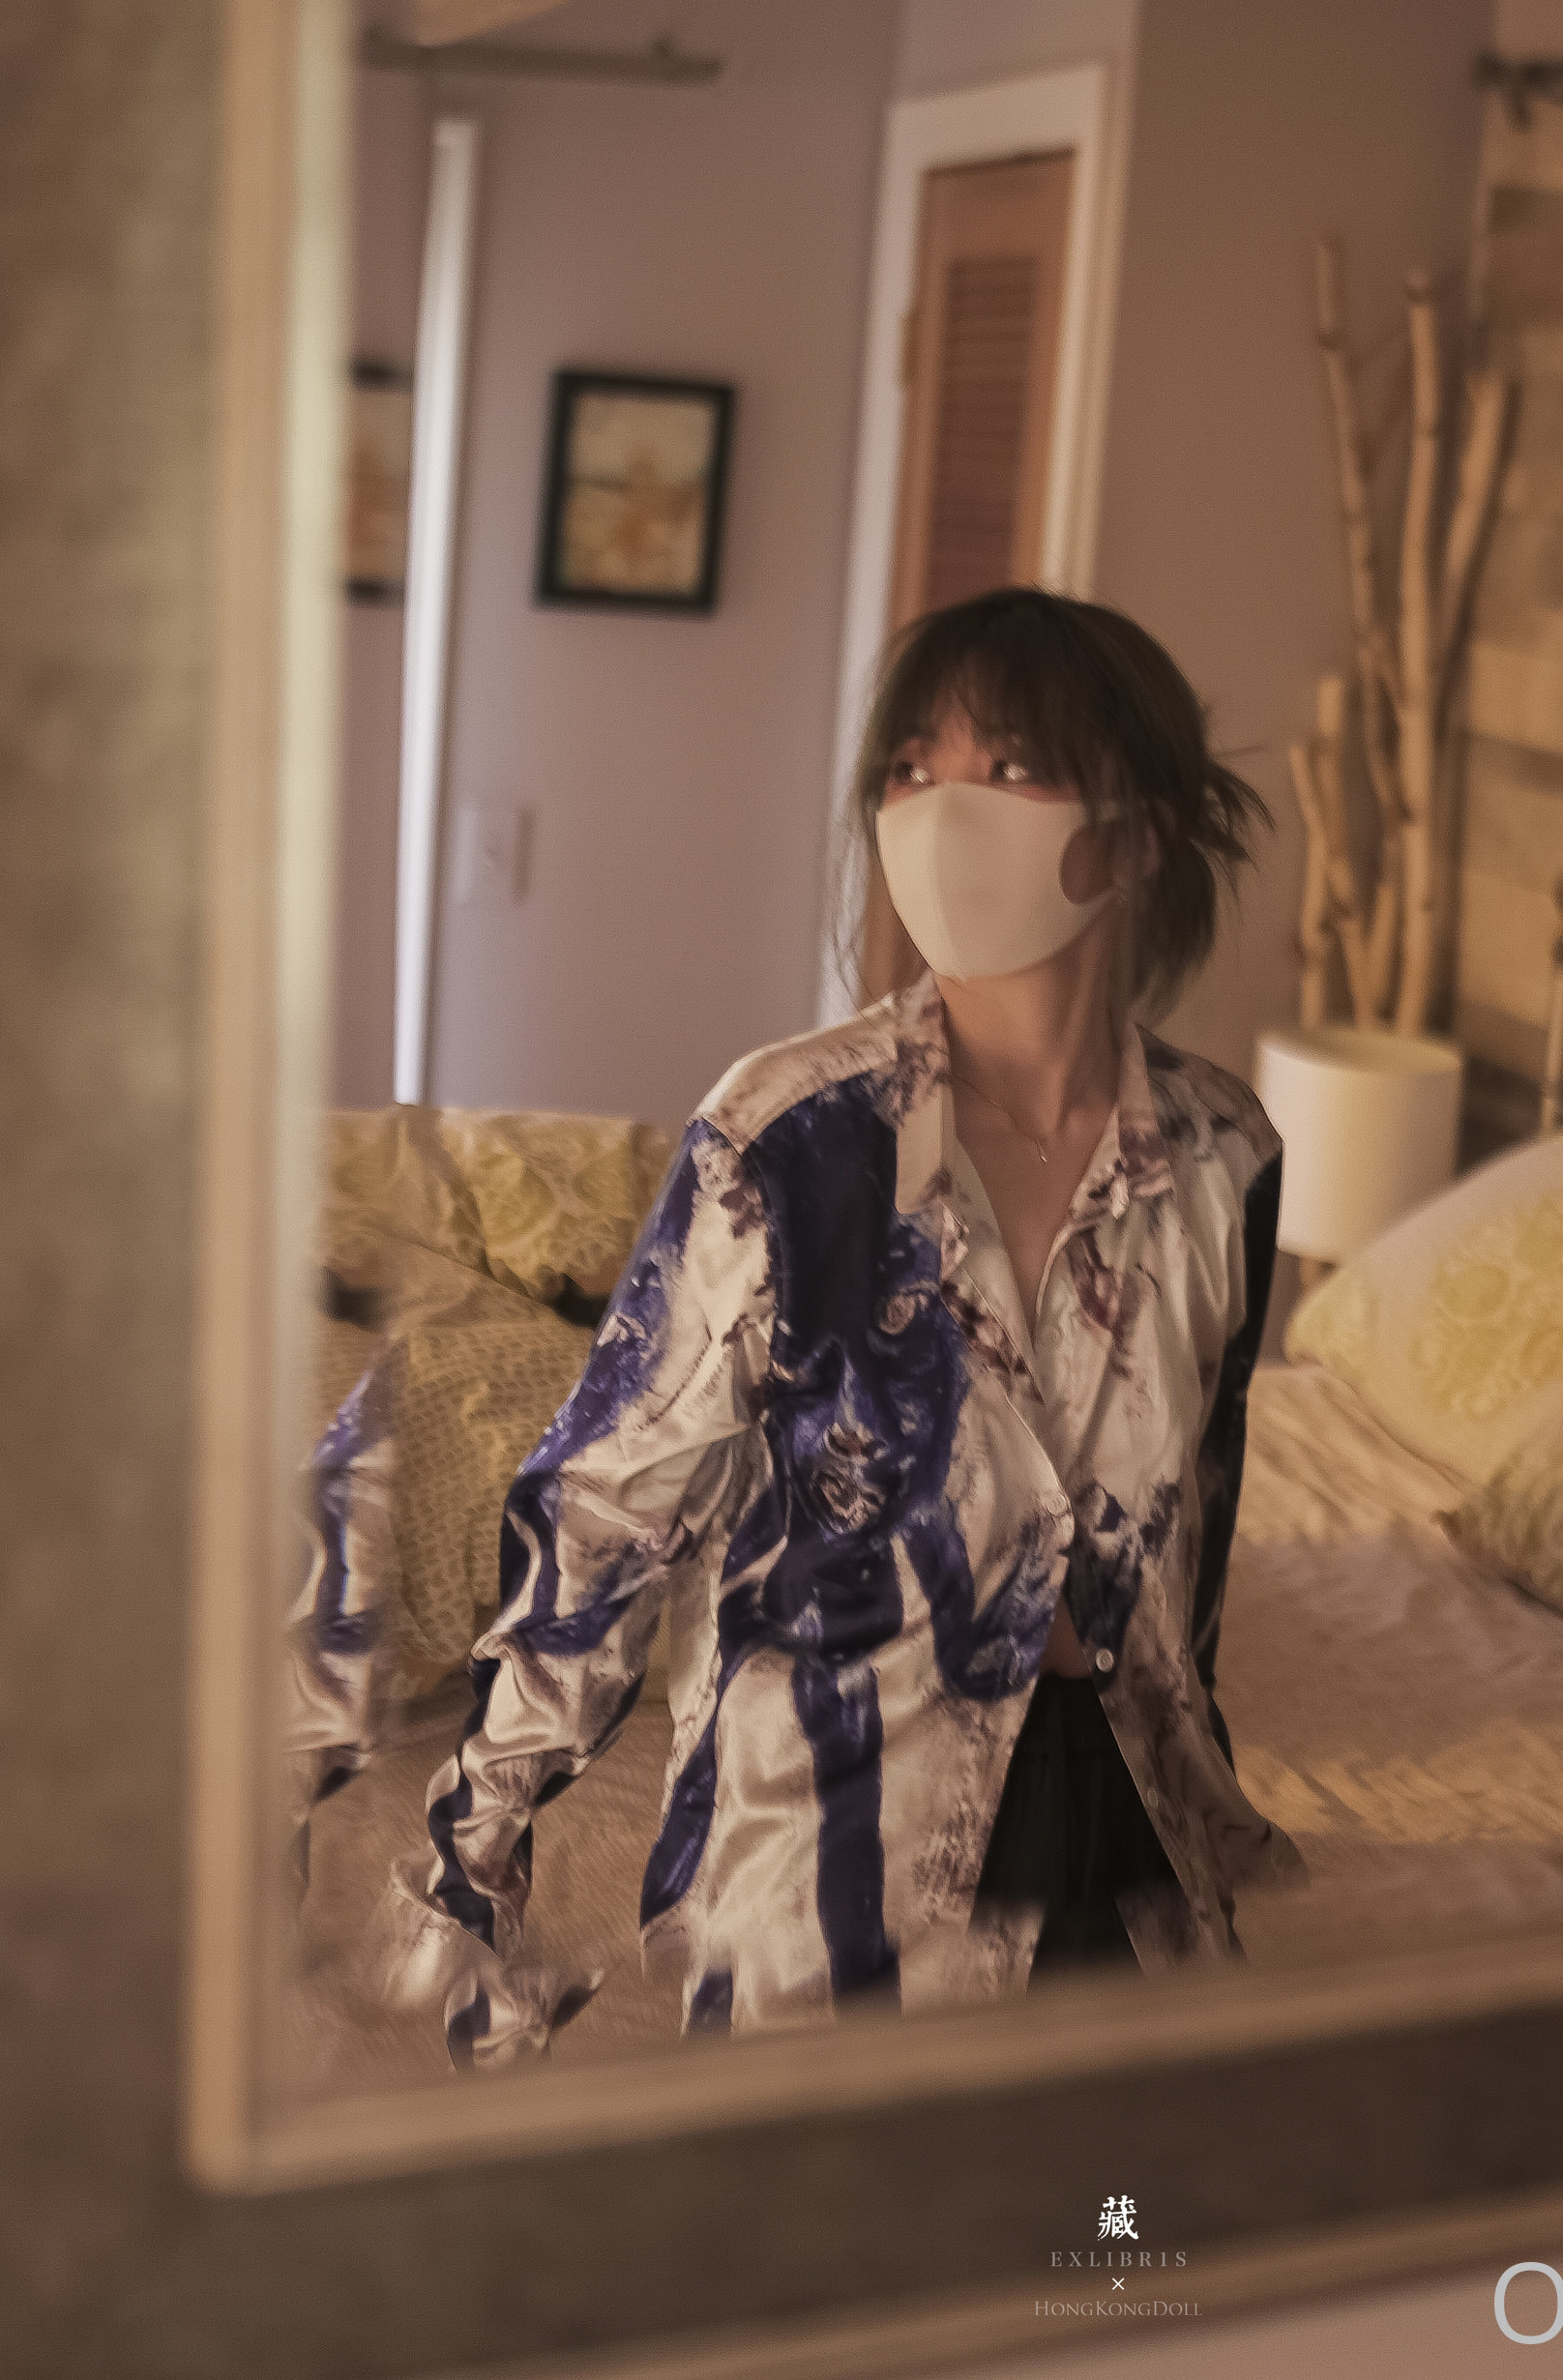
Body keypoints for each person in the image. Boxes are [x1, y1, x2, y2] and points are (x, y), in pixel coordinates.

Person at [388, 588, 1300, 2065]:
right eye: (910, 766)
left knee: (1114, 2216)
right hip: (838, 1863)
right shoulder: (788, 1137)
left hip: (1132, 1849)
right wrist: (474, 1842)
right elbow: (611, 1506)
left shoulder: (1226, 1157)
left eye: (1010, 766)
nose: (940, 810)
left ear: (1139, 833)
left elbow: (1197, 1526)